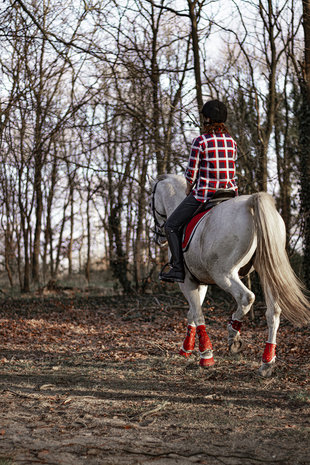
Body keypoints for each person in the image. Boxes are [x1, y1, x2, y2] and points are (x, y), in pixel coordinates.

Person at [159, 99, 238, 283]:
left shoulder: (200, 141)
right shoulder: (232, 142)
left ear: (208, 119)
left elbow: (191, 174)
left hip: (206, 194)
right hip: (229, 194)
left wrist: (188, 189)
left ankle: (177, 269)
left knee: (170, 225)